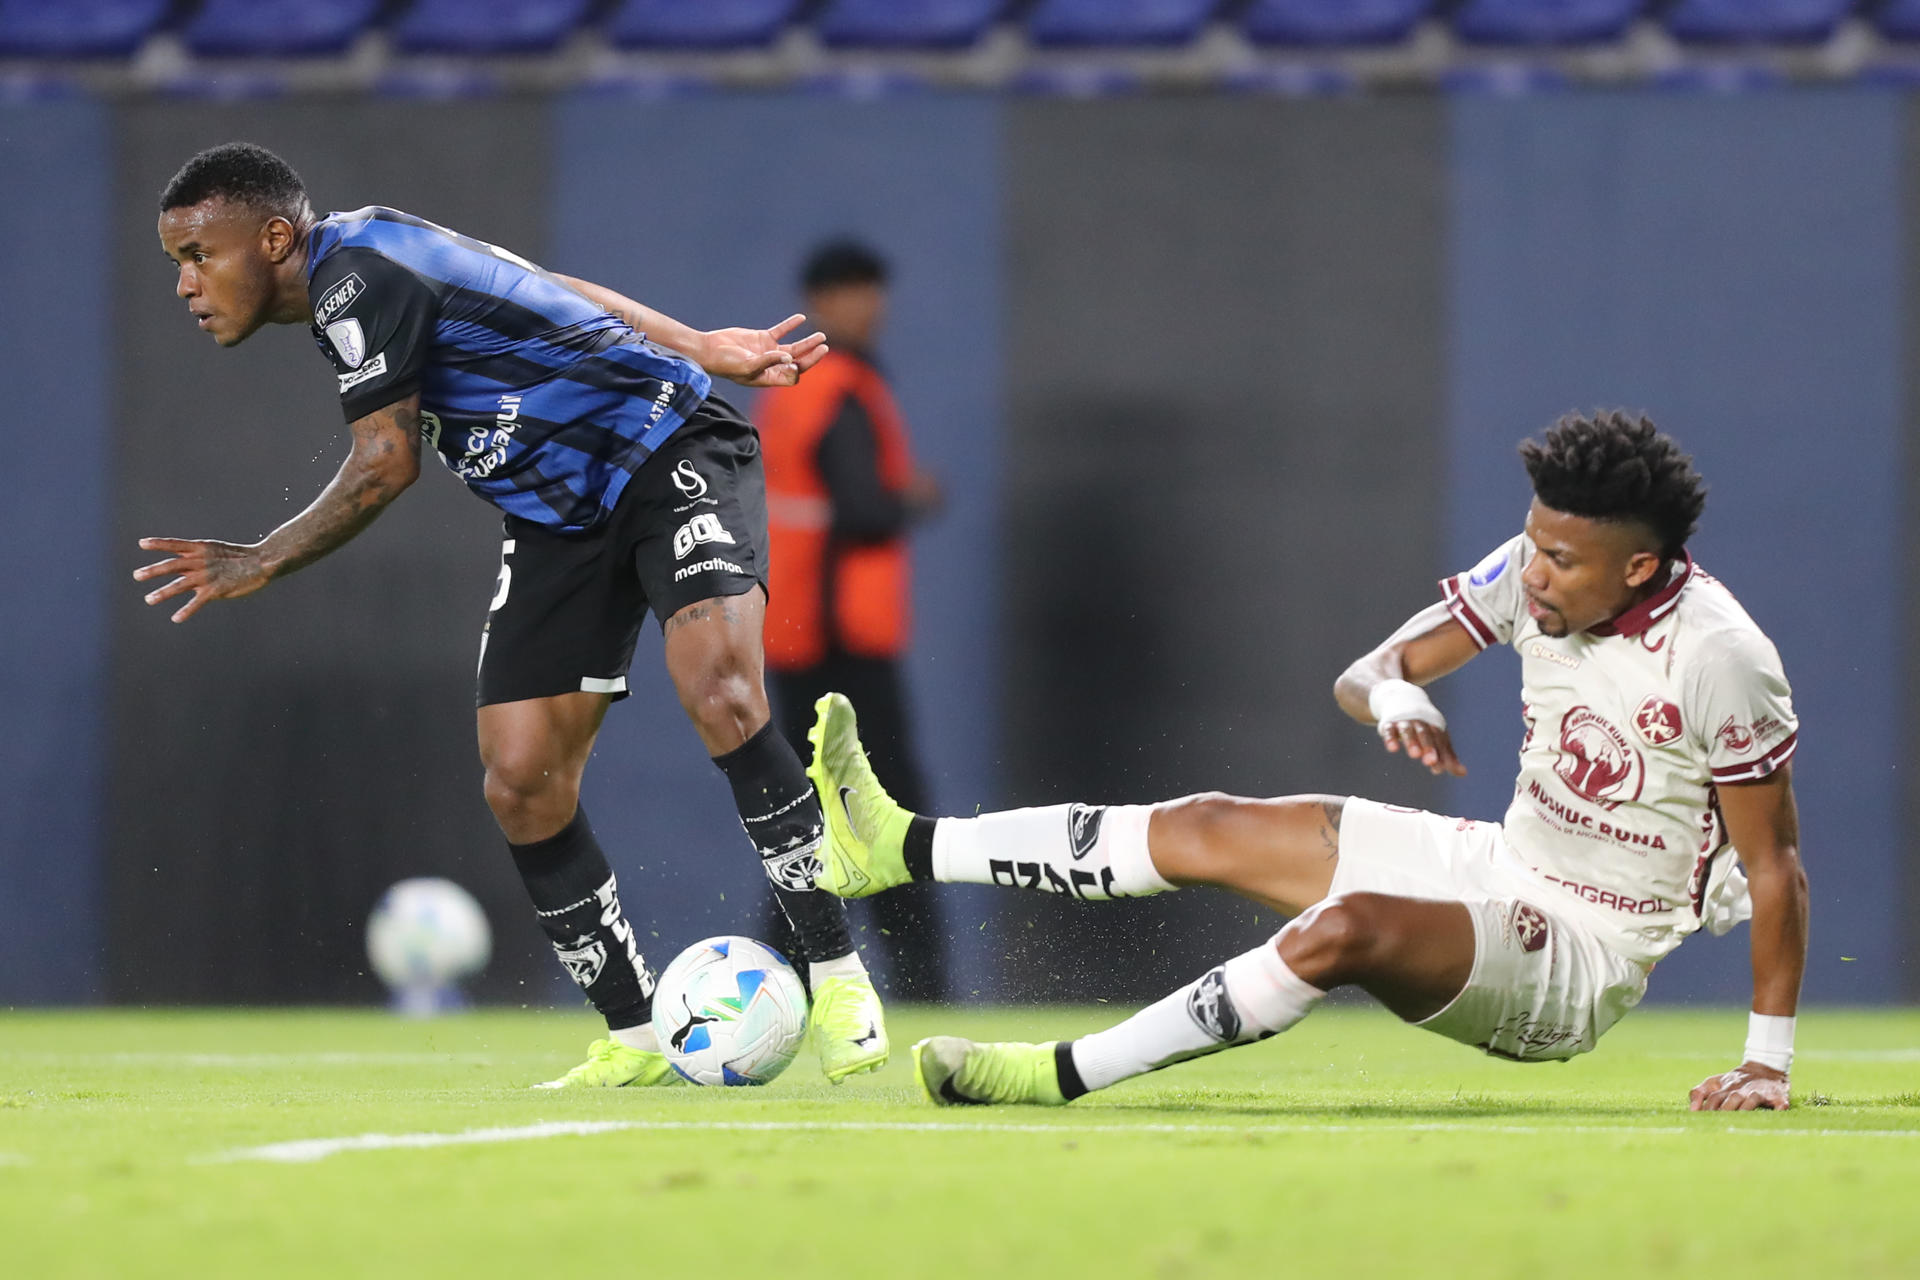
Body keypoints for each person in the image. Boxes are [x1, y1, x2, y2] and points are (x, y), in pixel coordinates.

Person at [136, 142, 888, 1088]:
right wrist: (696, 334)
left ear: (275, 238)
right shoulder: (369, 256)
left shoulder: (355, 279)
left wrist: (262, 559)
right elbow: (550, 286)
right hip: (558, 518)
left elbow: (385, 462)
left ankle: (838, 971)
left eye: (198, 256)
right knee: (522, 777)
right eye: (178, 265)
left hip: (665, 448)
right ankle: (638, 1036)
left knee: (721, 689)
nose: (187, 286)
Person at [806, 412, 1806, 1112]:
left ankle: (1051, 1073)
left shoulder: (1720, 655)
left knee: (1349, 928)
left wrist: (1766, 1062)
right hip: (1498, 863)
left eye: (1564, 562)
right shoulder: (1537, 564)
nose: (1535, 575)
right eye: (1535, 545)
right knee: (1210, 823)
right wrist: (1395, 691)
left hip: (1581, 954)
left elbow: (1774, 867)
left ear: (1640, 567)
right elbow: (1367, 672)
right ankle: (893, 844)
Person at [755, 239, 947, 1000]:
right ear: (820, 302)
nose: (872, 305)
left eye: (874, 289)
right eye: (853, 290)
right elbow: (865, 507)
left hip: (800, 638)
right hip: (842, 648)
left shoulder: (791, 389)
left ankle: (778, 981)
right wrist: (915, 497)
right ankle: (924, 987)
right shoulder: (840, 388)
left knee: (814, 822)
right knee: (887, 816)